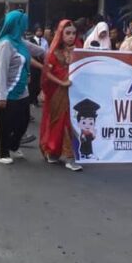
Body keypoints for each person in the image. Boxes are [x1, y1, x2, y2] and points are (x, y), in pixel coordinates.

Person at [0, 10, 46, 164]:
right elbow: (0, 71)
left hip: (21, 91)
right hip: (6, 92)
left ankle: (13, 145)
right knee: (3, 125)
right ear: (16, 24)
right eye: (23, 24)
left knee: (23, 121)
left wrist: (54, 51)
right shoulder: (5, 44)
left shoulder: (19, 41)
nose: (25, 27)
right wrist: (1, 96)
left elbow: (39, 50)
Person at [39, 20, 83, 171]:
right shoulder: (54, 52)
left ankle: (64, 154)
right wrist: (61, 82)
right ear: (60, 34)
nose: (71, 36)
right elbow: (47, 73)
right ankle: (61, 154)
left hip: (76, 92)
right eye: (67, 33)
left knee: (72, 122)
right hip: (58, 92)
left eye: (73, 33)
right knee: (60, 122)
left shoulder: (80, 51)